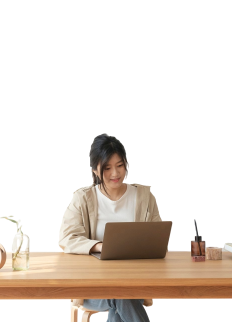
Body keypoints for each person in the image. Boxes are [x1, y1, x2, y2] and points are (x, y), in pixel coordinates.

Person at [59, 133, 162, 322]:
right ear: (95, 170)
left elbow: (157, 238)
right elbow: (67, 238)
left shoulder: (145, 197)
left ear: (127, 165)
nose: (115, 174)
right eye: (107, 168)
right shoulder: (83, 198)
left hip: (135, 283)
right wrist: (99, 246)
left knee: (121, 298)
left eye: (120, 166)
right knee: (121, 295)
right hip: (92, 287)